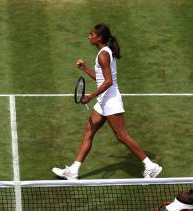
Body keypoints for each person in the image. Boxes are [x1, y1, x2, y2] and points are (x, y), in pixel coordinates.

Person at [52, 24, 161, 179]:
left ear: (99, 38)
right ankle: (73, 170)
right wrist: (85, 68)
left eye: (91, 34)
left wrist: (90, 96)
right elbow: (101, 78)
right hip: (104, 100)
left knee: (121, 135)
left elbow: (108, 81)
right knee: (89, 131)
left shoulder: (103, 55)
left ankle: (151, 166)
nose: (89, 36)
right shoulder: (104, 53)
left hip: (111, 101)